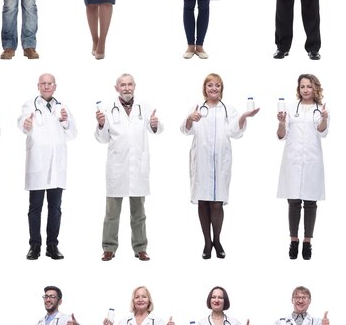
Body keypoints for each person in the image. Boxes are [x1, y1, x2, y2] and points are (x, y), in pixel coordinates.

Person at [181, 73, 259, 259]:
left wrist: (243, 117)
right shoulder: (197, 108)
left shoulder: (228, 110)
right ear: (205, 89)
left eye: (217, 85)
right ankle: (207, 243)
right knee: (203, 202)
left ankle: (217, 239)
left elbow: (235, 132)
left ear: (221, 89)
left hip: (220, 162)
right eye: (210, 85)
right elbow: (185, 130)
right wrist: (190, 118)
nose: (213, 88)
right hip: (201, 161)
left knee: (216, 204)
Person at [96, 73, 163, 261]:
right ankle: (109, 247)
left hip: (138, 168)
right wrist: (101, 124)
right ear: (116, 88)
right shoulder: (108, 109)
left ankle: (140, 247)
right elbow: (102, 139)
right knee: (112, 213)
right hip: (117, 168)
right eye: (123, 85)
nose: (126, 88)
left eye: (130, 84)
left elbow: (155, 130)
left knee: (139, 213)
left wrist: (155, 124)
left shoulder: (145, 107)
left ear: (135, 86)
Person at [18, 74, 77, 260]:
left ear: (55, 86)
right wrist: (25, 124)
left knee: (55, 208)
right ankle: (34, 246)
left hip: (57, 165)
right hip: (38, 164)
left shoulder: (63, 107)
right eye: (43, 83)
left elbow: (73, 133)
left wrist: (65, 121)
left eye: (49, 83)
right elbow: (22, 123)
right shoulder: (29, 105)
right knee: (35, 208)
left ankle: (52, 246)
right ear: (38, 86)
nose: (46, 86)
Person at [277, 75, 328, 260]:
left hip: (312, 161)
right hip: (293, 161)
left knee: (310, 203)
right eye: (302, 86)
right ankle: (293, 241)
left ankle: (307, 242)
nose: (305, 89)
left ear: (316, 88)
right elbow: (281, 136)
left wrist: (324, 119)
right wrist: (282, 122)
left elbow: (322, 132)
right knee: (293, 202)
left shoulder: (321, 109)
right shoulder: (290, 109)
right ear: (298, 89)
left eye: (309, 86)